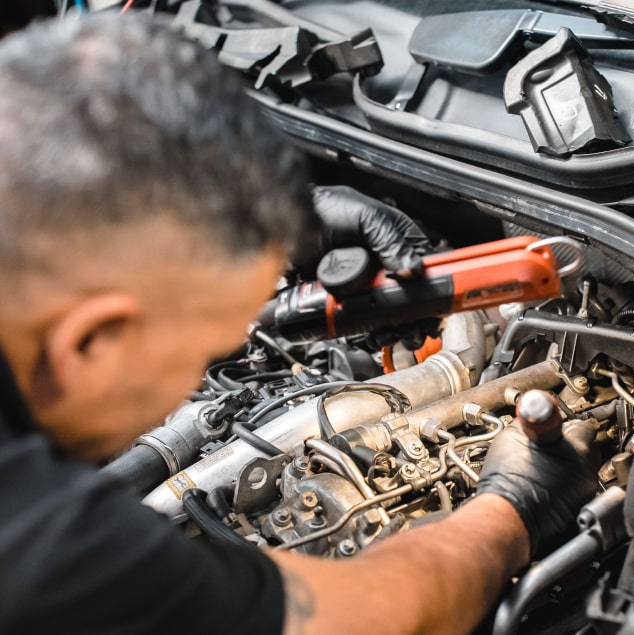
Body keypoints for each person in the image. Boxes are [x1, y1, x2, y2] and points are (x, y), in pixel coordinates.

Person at [0, 13, 598, 635]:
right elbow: (367, 616)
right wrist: (511, 508)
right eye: (202, 350)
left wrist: (276, 233)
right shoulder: (43, 551)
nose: (210, 364)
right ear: (88, 344)